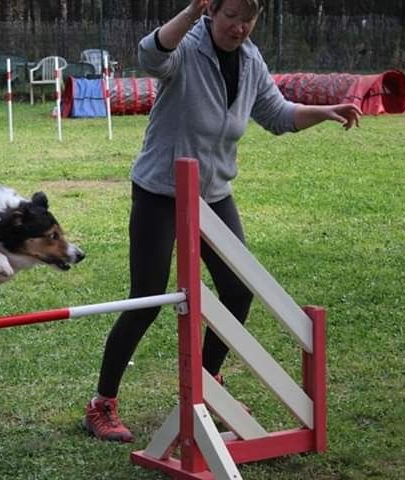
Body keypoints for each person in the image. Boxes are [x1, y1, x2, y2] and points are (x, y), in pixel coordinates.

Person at [83, 0, 361, 443]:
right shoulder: (187, 49)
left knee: (236, 291)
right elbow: (149, 55)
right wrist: (192, 10)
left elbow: (277, 114)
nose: (240, 26)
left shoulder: (250, 60)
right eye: (231, 15)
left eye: (249, 18)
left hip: (212, 196)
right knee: (148, 300)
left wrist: (323, 111)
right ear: (212, 13)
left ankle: (207, 387)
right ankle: (102, 404)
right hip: (161, 192)